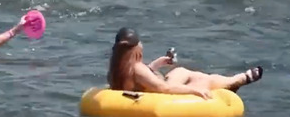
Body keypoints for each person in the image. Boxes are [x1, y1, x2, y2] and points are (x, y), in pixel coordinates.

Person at [107, 28, 263, 99]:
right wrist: (192, 91)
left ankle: (233, 82)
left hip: (150, 90)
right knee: (201, 80)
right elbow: (164, 89)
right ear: (135, 49)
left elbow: (138, 82)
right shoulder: (137, 69)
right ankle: (238, 80)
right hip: (160, 96)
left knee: (180, 71)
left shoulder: (117, 66)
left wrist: (156, 65)